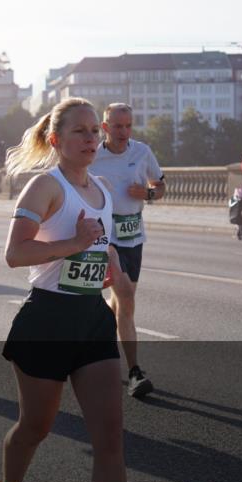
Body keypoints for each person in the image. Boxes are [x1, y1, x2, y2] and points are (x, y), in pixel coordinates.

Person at [0, 97, 130, 482]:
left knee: (110, 439)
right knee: (35, 428)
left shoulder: (103, 189)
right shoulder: (45, 186)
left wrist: (114, 268)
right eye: (80, 131)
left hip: (92, 319)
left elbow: (101, 244)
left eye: (95, 131)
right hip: (47, 321)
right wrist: (74, 243)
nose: (91, 139)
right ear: (56, 139)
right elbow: (15, 253)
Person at [89, 103, 164, 399]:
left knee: (121, 300)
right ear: (105, 127)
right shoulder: (93, 155)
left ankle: (95, 339)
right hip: (107, 236)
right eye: (117, 126)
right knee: (127, 298)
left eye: (128, 125)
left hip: (134, 235)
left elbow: (160, 186)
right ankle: (134, 372)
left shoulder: (142, 151)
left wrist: (148, 193)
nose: (123, 132)